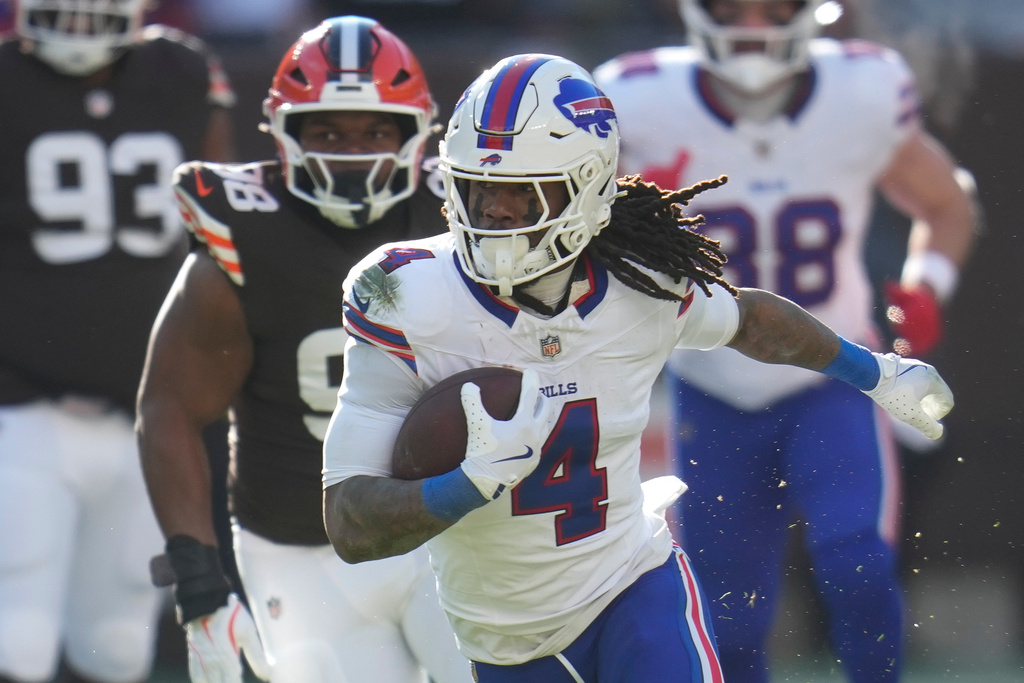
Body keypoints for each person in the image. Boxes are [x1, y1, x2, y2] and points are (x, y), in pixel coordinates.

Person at [321, 52, 954, 683]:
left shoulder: (637, 285)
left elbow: (755, 322)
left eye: (525, 190)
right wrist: (468, 483)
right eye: (481, 187)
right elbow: (350, 521)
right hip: (499, 640)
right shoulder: (404, 295)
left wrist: (877, 373)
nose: (497, 211)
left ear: (589, 186)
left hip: (630, 587)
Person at [592, 1, 976, 681]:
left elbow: (946, 203)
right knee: (730, 616)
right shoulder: (636, 97)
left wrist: (926, 287)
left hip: (830, 376)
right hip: (712, 386)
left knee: (857, 559)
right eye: (733, 5)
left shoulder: (860, 90)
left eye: (773, 5)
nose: (753, 22)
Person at [136, 16, 471, 683]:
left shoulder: (468, 219)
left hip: (451, 534)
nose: (352, 151)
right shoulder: (244, 240)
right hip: (300, 550)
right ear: (285, 134)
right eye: (326, 130)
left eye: (377, 129)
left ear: (418, 135)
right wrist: (199, 580)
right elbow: (169, 408)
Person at [0, 1, 235, 681]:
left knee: (120, 644)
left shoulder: (179, 69)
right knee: (18, 637)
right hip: (22, 407)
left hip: (149, 414)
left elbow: (224, 218)